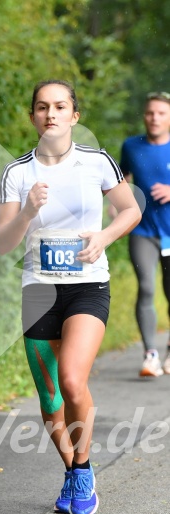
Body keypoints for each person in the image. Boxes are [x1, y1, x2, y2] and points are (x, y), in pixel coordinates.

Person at [0, 80, 141, 514]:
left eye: (60, 106)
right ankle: (74, 470)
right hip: (38, 291)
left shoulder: (97, 163)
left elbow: (131, 210)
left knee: (72, 381)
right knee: (49, 398)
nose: (51, 114)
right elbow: (2, 243)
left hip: (87, 286)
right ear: (33, 117)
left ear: (74, 115)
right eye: (42, 107)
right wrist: (26, 211)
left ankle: (82, 466)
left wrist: (104, 236)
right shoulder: (18, 173)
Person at [119, 92, 170, 377]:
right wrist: (118, 204)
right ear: (144, 116)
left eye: (161, 113)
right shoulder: (131, 145)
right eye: (150, 113)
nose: (155, 118)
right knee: (147, 287)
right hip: (142, 230)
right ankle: (150, 354)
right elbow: (121, 178)